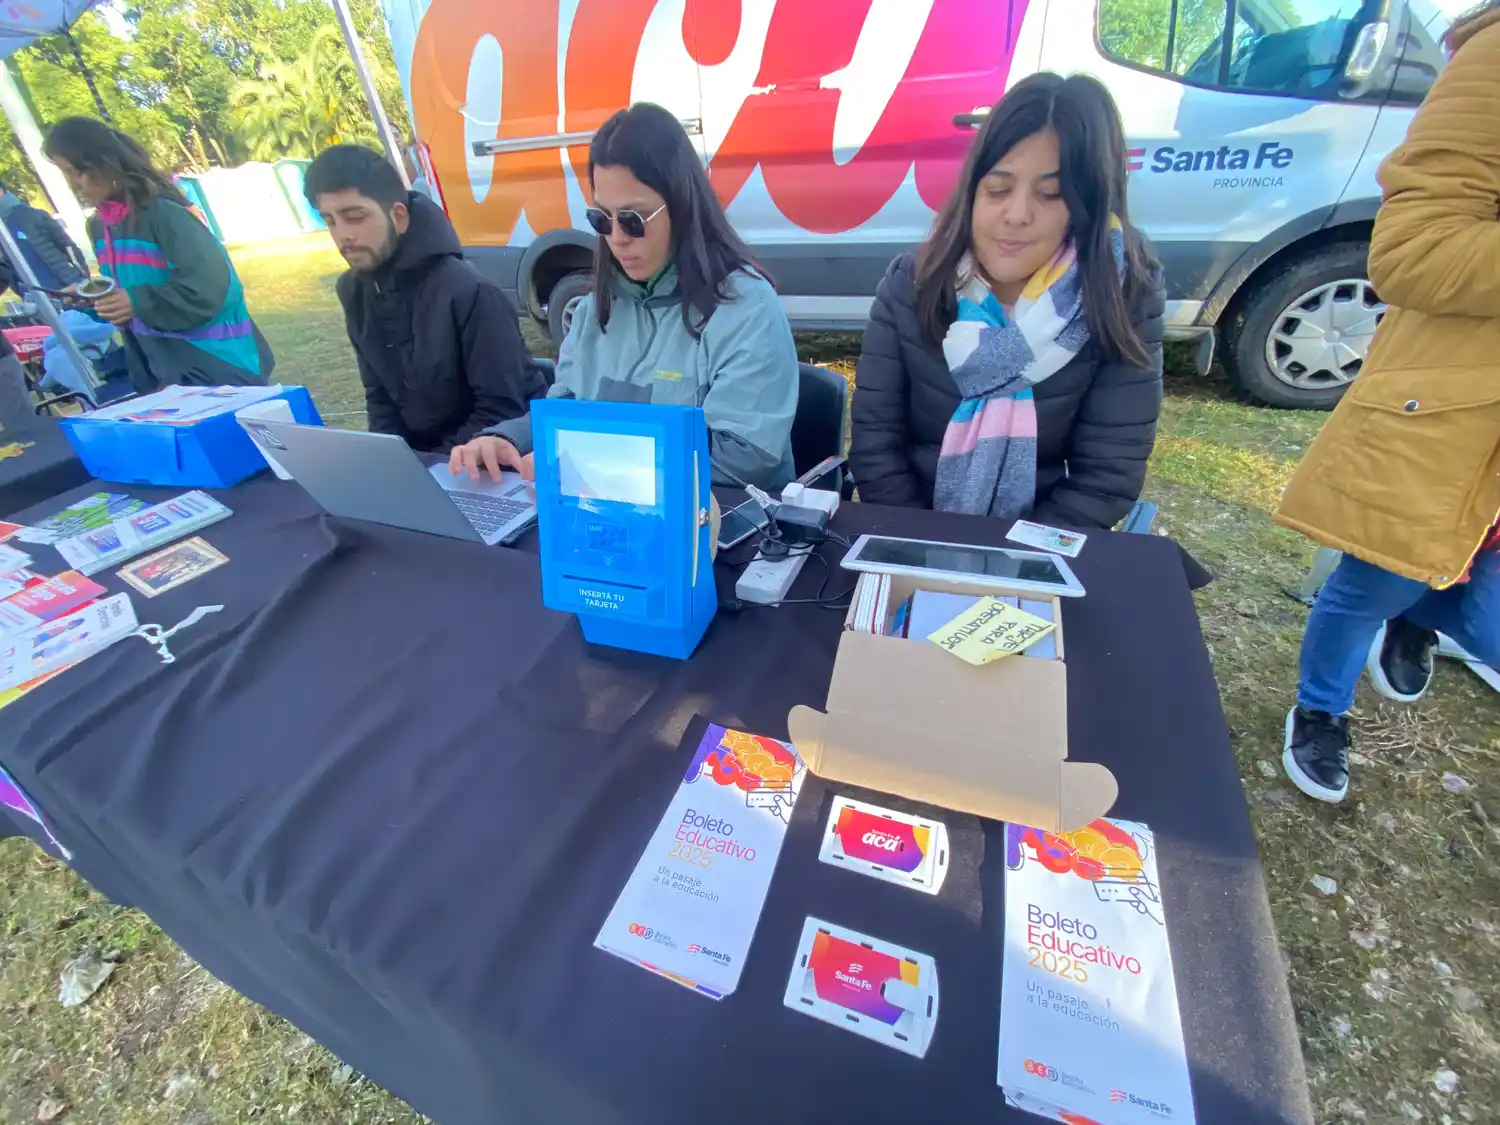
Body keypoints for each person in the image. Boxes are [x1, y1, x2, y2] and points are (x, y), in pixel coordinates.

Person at [1274, 5, 1500, 804]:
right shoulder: (1493, 56)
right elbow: (1411, 253)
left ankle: (1424, 609)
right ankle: (1320, 706)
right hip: (1458, 415)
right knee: (1374, 581)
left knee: (1479, 613)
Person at [848, 73, 1164, 530]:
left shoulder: (1123, 294)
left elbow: (1105, 480)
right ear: (972, 189)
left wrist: (1006, 566)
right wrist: (927, 549)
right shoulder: (910, 284)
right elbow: (876, 450)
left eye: (1050, 194)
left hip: (1039, 547)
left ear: (1090, 204)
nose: (1016, 215)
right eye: (998, 189)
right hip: (913, 531)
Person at [449, 103, 798, 491]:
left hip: (721, 531)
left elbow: (743, 460)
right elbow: (568, 410)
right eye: (602, 219)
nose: (616, 237)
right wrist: (508, 440)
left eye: (634, 220)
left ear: (683, 208)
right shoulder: (591, 310)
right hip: (609, 517)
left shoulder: (746, 309)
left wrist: (589, 465)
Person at [304, 144, 543, 454]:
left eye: (355, 217)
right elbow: (380, 400)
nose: (343, 235)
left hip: (495, 456)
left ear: (398, 217)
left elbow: (502, 409)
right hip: (423, 464)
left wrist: (428, 467)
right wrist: (391, 462)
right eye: (330, 221)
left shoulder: (469, 291)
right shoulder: (353, 291)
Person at [42, 118, 273, 392]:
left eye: (76, 172)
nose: (74, 184)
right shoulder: (99, 226)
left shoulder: (166, 215)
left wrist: (137, 300)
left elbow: (212, 288)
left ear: (106, 162)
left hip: (219, 367)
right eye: (66, 174)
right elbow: (129, 291)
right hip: (161, 371)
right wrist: (93, 297)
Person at [0, 181, 87, 292]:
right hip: (34, 298)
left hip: (69, 290)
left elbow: (69, 248)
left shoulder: (31, 215)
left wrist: (81, 280)